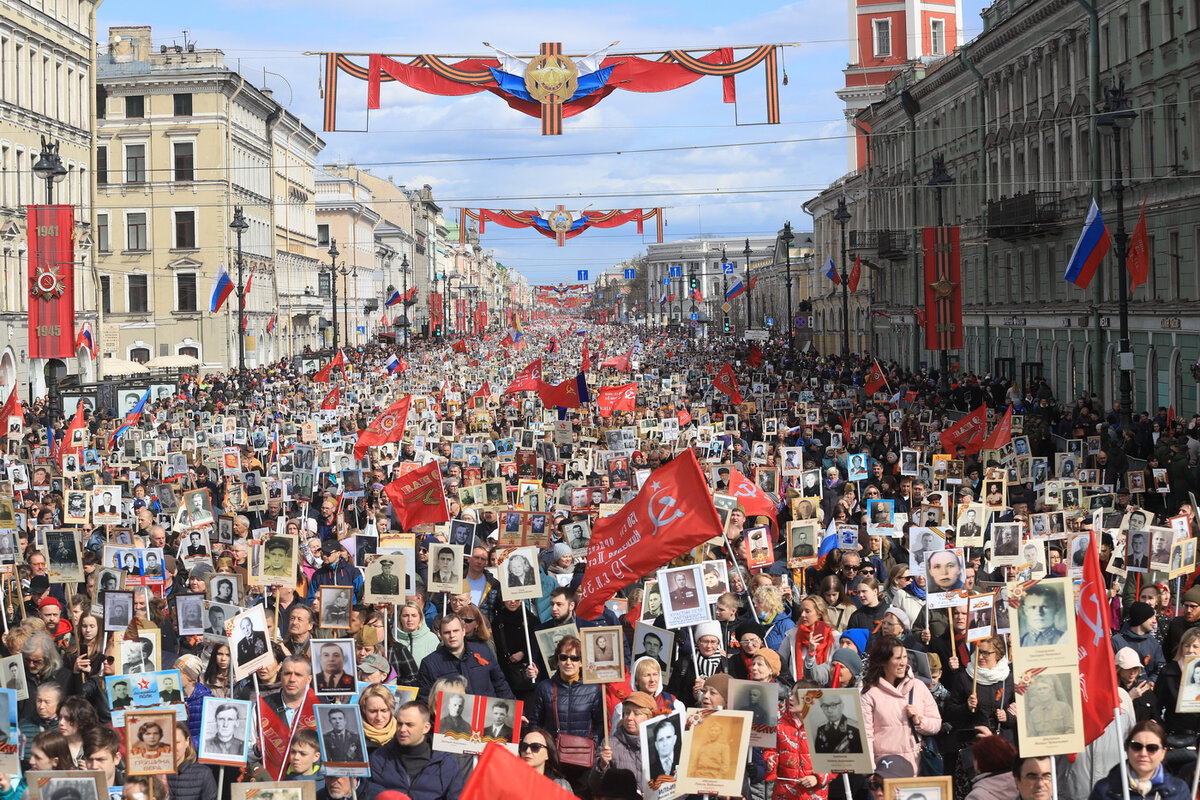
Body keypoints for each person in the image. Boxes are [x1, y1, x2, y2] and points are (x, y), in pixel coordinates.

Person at [860, 635, 941, 775]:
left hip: (916, 768)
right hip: (885, 770)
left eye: (905, 657)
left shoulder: (918, 686)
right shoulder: (869, 694)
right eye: (898, 658)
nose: (903, 662)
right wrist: (871, 770)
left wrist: (919, 720)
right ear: (884, 661)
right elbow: (866, 735)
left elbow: (936, 724)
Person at [367, 702, 466, 799]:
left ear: (426, 728)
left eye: (409, 725)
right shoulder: (379, 758)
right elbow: (367, 793)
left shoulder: (445, 762)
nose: (402, 729)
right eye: (400, 724)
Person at [1087, 720, 1190, 799]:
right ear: (1127, 749)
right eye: (1137, 746)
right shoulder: (1104, 790)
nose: (1143, 754)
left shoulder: (1178, 790)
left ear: (1163, 752)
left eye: (1152, 748)